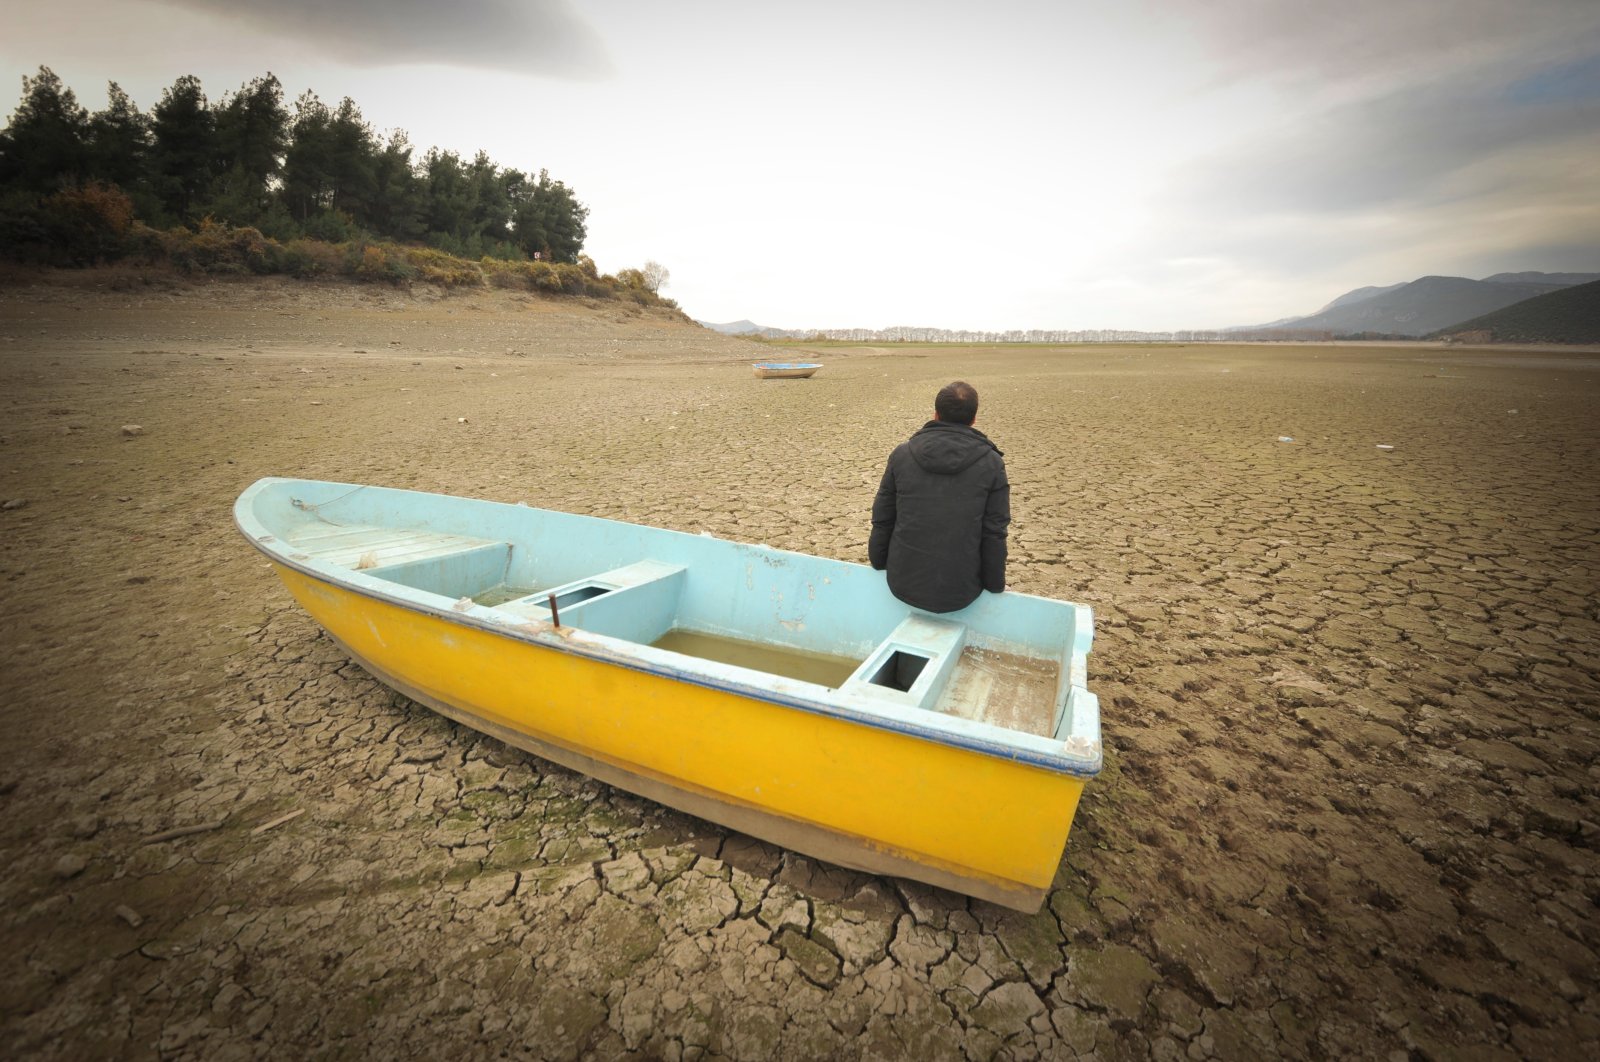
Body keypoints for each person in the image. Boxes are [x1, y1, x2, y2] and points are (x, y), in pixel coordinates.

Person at [869, 380, 1010, 613]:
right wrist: (995, 585)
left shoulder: (902, 454)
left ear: (936, 414)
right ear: (973, 419)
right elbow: (995, 531)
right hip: (962, 591)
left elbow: (883, 516)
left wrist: (878, 562)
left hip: (901, 581)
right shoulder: (992, 463)